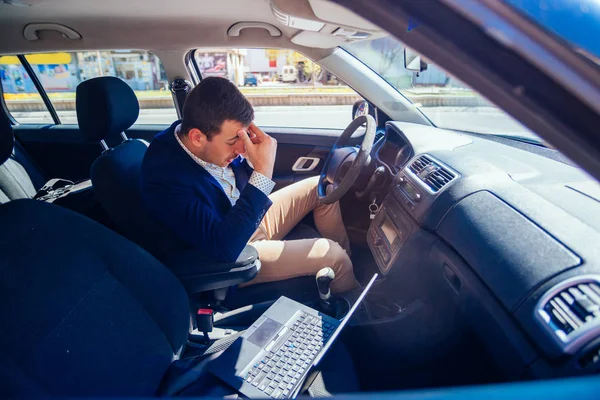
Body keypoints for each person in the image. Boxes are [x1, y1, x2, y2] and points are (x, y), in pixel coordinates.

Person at [140, 77, 358, 294]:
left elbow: (240, 186)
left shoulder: (208, 141)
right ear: (197, 137)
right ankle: (360, 312)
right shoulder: (165, 177)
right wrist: (263, 172)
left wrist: (253, 163)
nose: (240, 148)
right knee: (331, 254)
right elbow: (224, 247)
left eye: (243, 136)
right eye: (233, 140)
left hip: (246, 220)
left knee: (320, 189)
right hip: (233, 252)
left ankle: (348, 273)